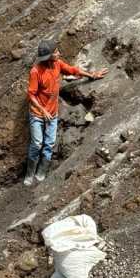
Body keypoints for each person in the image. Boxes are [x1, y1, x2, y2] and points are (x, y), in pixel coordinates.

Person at [25, 39, 108, 186]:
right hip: (38, 113)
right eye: (56, 52)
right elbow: (31, 94)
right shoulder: (36, 71)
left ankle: (41, 173)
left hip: (53, 111)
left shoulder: (57, 64)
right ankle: (30, 173)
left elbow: (73, 70)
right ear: (49, 56)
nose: (59, 53)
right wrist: (42, 110)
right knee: (37, 143)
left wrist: (92, 75)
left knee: (49, 144)